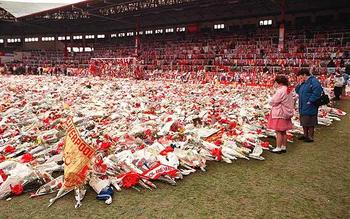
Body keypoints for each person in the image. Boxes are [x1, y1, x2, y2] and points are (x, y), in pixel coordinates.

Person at [267, 75, 295, 153]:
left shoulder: (280, 91)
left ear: (279, 83)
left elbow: (274, 101)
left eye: (275, 82)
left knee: (278, 131)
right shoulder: (287, 89)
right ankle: (283, 147)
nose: (274, 84)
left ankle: (278, 147)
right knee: (283, 131)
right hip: (286, 112)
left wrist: (270, 100)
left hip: (280, 113)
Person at [295, 68, 323, 142]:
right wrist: (299, 84)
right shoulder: (304, 82)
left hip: (310, 104)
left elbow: (317, 92)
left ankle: (310, 137)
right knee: (304, 120)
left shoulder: (313, 81)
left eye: (301, 76)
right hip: (303, 103)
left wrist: (310, 101)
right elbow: (297, 91)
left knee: (310, 120)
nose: (300, 78)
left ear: (304, 75)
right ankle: (305, 135)